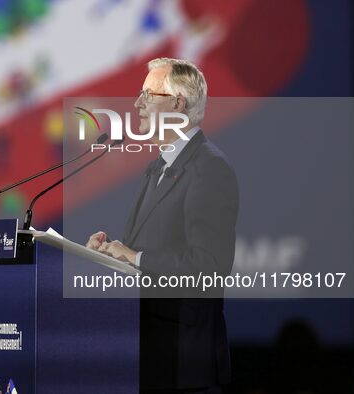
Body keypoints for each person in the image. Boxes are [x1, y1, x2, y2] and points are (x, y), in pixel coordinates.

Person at [86, 57, 239, 393]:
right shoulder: (160, 165)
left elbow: (210, 267)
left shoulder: (209, 168)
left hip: (185, 367)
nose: (138, 103)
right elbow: (154, 251)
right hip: (147, 358)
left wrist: (135, 257)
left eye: (148, 95)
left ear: (177, 104)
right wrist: (111, 254)